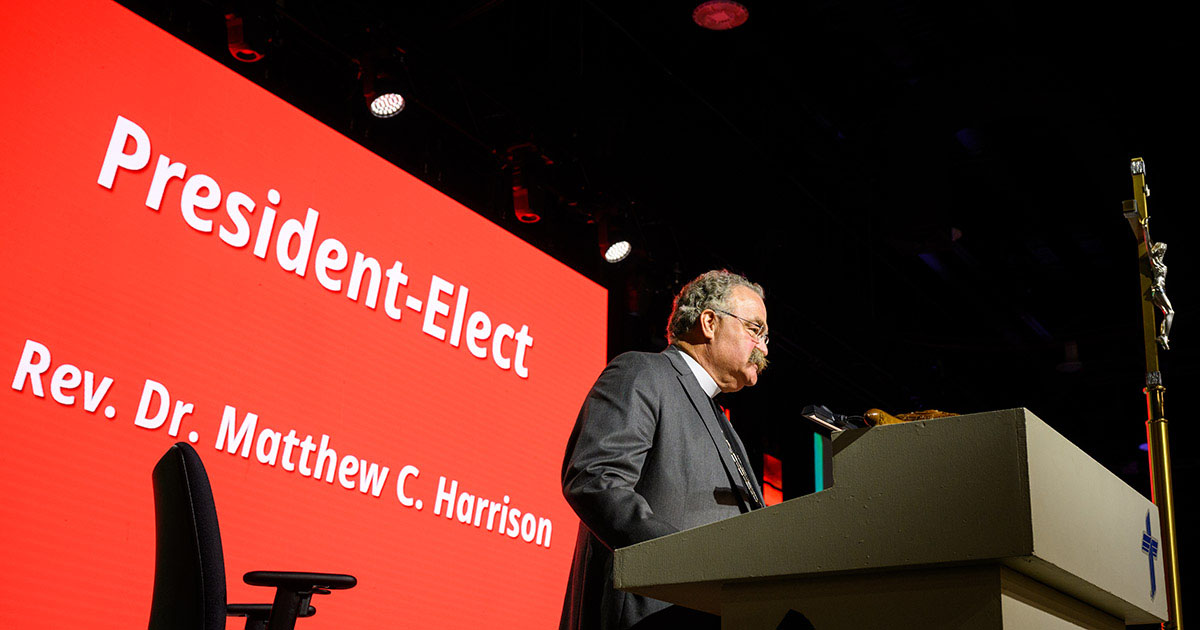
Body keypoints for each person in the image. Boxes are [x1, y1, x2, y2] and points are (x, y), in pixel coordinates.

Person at [559, 269, 770, 630]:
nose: (764, 348)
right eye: (755, 330)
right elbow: (595, 480)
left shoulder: (722, 419)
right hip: (652, 614)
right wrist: (689, 566)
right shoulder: (643, 371)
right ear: (709, 322)